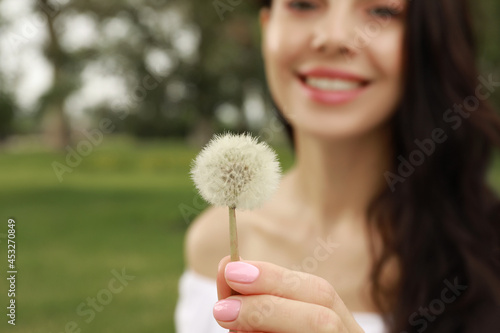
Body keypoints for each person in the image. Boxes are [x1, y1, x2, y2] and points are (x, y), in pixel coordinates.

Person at [175, 0, 500, 332]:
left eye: (381, 11)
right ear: (267, 26)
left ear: (432, 39)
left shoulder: (488, 250)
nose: (334, 37)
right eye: (303, 5)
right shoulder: (214, 241)